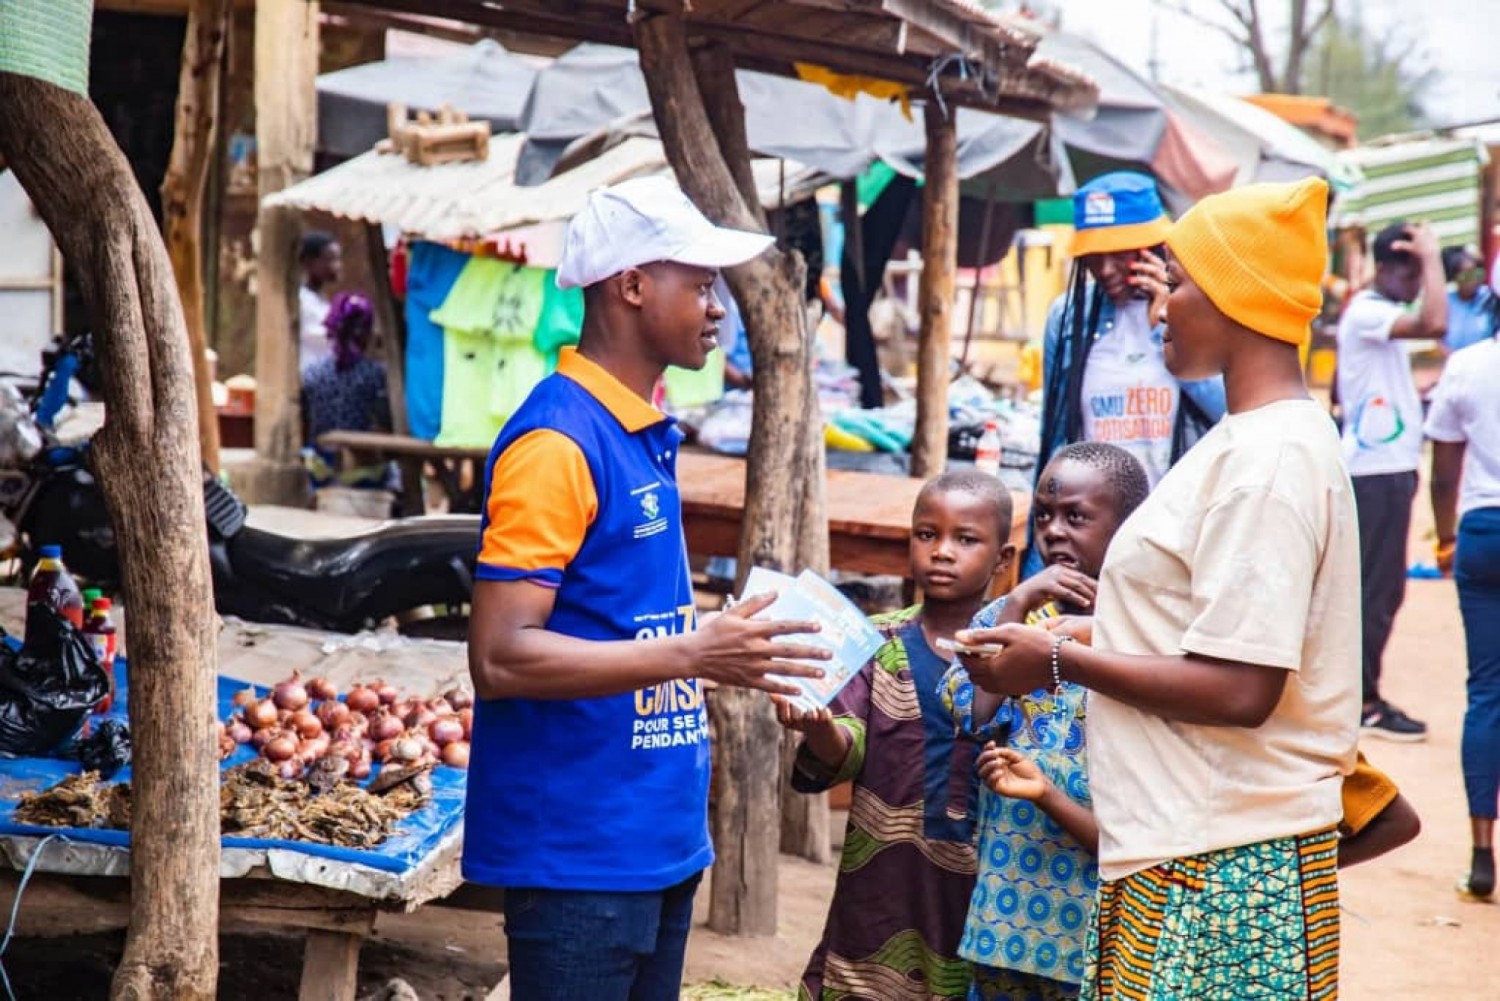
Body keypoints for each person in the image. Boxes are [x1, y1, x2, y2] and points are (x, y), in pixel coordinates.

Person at [956, 177, 1360, 1000]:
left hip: (1222, 871)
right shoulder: (1249, 445)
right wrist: (1057, 638)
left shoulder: (1268, 465)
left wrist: (1058, 661)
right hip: (1184, 848)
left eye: (1176, 280)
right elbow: (1188, 631)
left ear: (1236, 295)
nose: (1161, 305)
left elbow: (1243, 685)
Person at [464, 176, 832, 1001]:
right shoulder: (557, 442)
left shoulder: (640, 428)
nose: (717, 308)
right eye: (700, 284)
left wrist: (722, 640)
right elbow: (500, 655)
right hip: (579, 852)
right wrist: (697, 650)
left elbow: (618, 619)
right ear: (631, 286)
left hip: (656, 839)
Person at [778, 471, 1015, 1000]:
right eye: (927, 535)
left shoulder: (1021, 656)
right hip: (882, 897)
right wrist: (819, 729)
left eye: (966, 539)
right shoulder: (877, 641)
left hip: (984, 899)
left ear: (1003, 559)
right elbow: (845, 744)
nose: (942, 552)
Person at [942, 441, 1149, 1001]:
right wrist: (1017, 603)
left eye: (1076, 516)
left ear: (1129, 526)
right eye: (1043, 516)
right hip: (1004, 914)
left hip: (1098, 913)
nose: (1054, 531)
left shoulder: (1149, 631)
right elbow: (971, 712)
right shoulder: (1012, 616)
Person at [1029, 171, 1225, 577]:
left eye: (1120, 252)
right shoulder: (1066, 319)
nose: (1105, 268)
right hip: (1092, 538)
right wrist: (1038, 561)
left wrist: (1166, 326)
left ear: (1154, 245)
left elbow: (1224, 408)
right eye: (1095, 255)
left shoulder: (1193, 309)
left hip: (1173, 529)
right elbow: (1055, 438)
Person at [1337, 220, 1449, 741]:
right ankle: (1363, 703)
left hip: (1387, 465)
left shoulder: (1373, 313)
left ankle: (1361, 696)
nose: (1413, 284)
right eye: (1408, 274)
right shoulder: (1367, 312)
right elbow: (1434, 322)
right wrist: (1431, 257)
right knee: (1375, 591)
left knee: (1380, 589)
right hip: (1374, 470)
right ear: (1384, 269)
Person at [1425, 327, 1500, 898]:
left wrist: (1446, 540)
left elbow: (1445, 470)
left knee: (1487, 694)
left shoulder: (1469, 365)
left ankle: (1481, 854)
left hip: (1483, 531)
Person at [299, 292, 396, 490]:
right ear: (366, 333)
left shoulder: (311, 373)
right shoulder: (376, 374)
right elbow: (386, 424)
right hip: (365, 476)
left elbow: (305, 425)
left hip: (319, 472)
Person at [299, 231, 342, 369]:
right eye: (330, 259)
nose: (337, 266)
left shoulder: (320, 299)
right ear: (309, 262)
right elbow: (327, 336)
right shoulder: (302, 301)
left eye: (337, 259)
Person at [1441, 245, 1495, 354]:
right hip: (1456, 364)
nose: (1473, 280)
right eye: (1467, 276)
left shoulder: (1490, 299)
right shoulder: (1446, 303)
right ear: (1455, 278)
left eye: (1477, 274)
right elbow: (1439, 338)